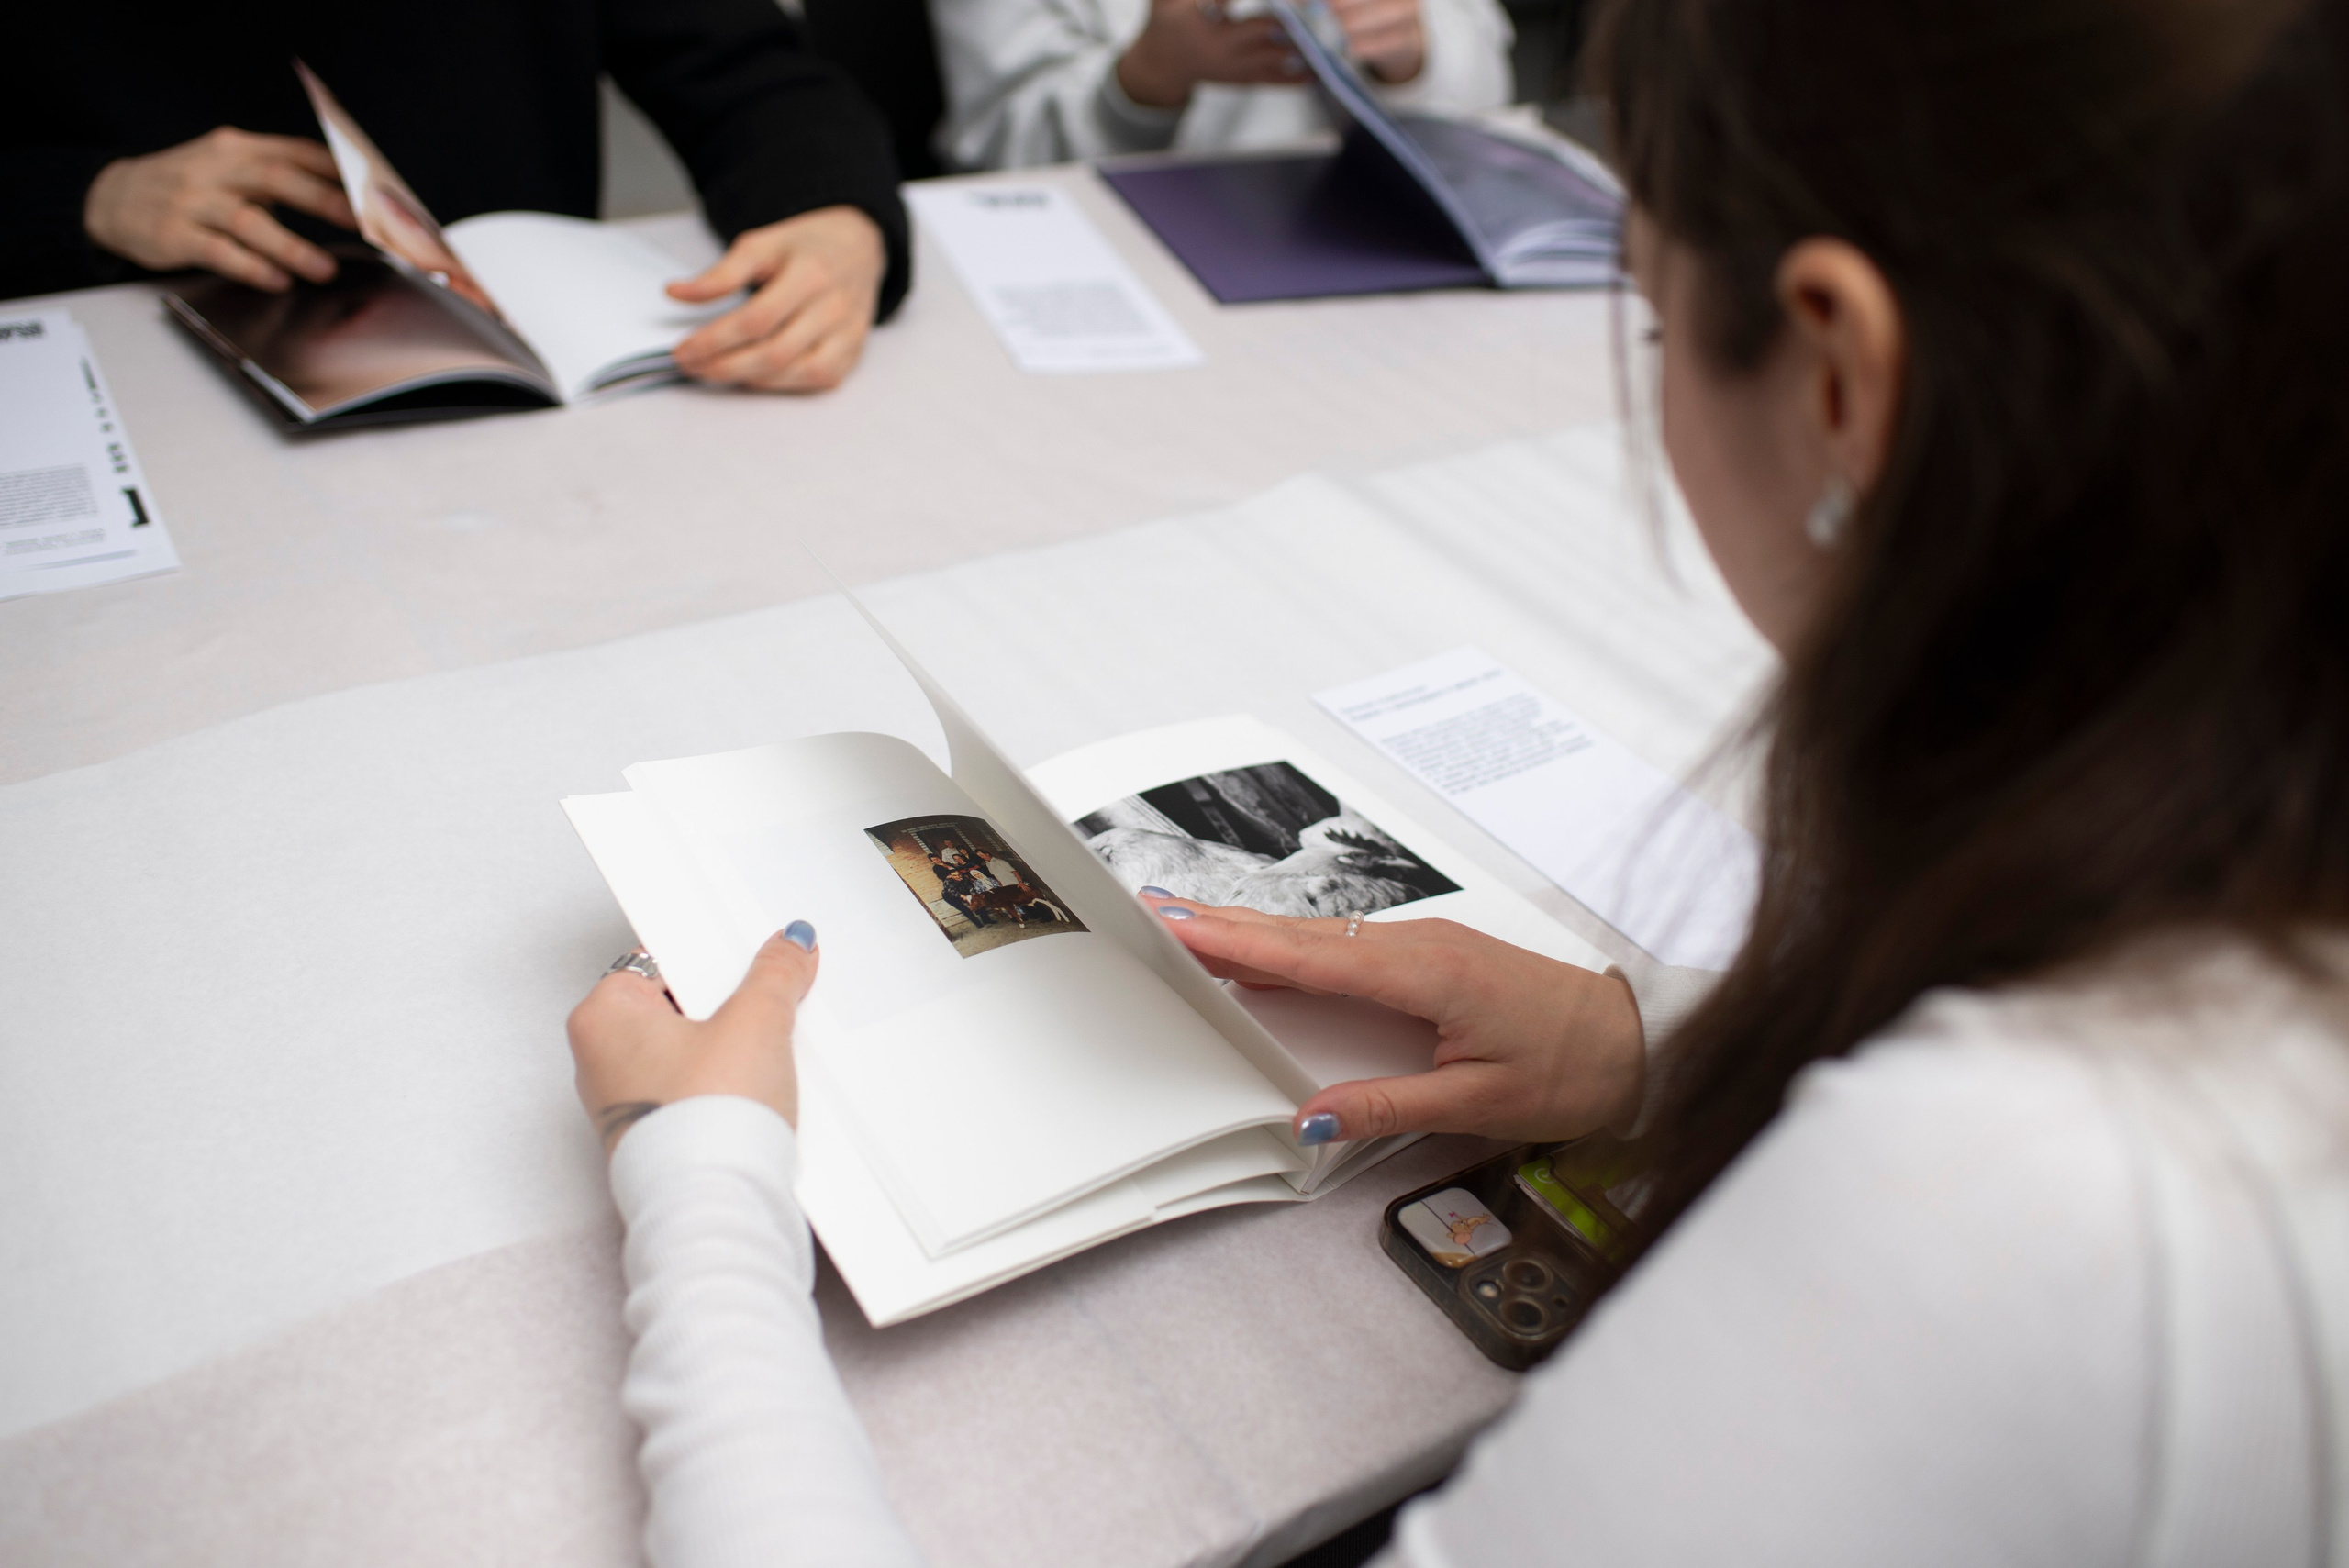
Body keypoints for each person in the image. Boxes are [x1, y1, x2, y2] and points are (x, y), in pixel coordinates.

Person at [567, 0, 2349, 1561]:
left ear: (1837, 378)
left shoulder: (2016, 1198)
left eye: (1651, 318)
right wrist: (1659, 1050)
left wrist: (703, 1178)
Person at [1, 0, 910, 393]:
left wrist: (833, 216)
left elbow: (756, 73)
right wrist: (83, 196)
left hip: (527, 381)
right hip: (124, 358)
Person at [930, 0, 1514, 170]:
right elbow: (999, 153)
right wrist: (1146, 81)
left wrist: (1412, 53)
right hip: (1121, 259)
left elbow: (1495, 103)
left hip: (1360, 241)